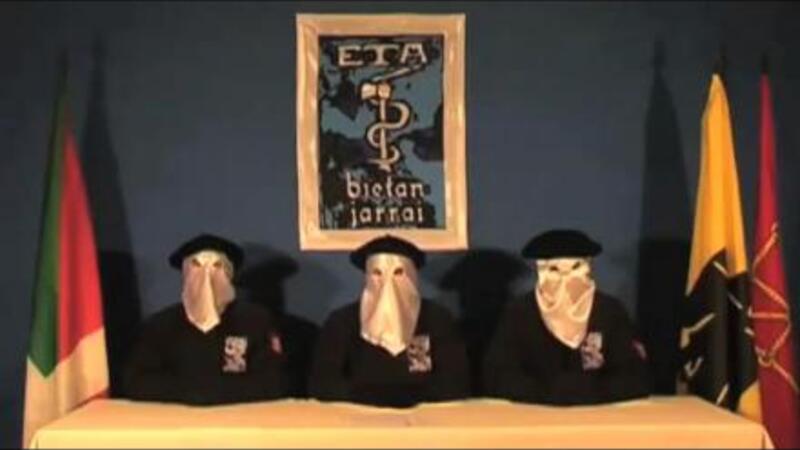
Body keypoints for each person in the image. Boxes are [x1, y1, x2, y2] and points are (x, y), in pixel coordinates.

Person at [483, 229, 650, 405]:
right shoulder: (519, 314)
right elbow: (498, 375)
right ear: (540, 270)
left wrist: (589, 391)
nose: (565, 279)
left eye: (575, 268)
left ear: (588, 267)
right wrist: (546, 392)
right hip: (536, 413)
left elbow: (635, 375)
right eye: (554, 269)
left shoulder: (609, 311)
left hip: (598, 414)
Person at [123, 233, 288, 405]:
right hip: (178, 418)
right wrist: (190, 392)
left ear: (229, 273)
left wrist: (217, 392)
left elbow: (274, 382)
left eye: (217, 265)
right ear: (186, 274)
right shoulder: (160, 326)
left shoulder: (255, 322)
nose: (206, 276)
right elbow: (136, 381)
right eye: (197, 265)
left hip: (238, 418)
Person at [309, 235, 470, 407]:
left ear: (412, 276)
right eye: (377, 273)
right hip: (358, 418)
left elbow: (454, 383)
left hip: (423, 418)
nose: (388, 285)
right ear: (367, 277)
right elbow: (324, 383)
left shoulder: (435, 319)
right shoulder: (342, 322)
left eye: (398, 273)